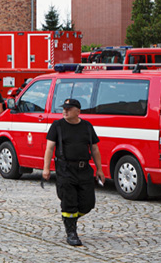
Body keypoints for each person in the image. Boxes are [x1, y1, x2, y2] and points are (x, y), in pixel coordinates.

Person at [43, 98, 104, 247]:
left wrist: (100, 169)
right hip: (65, 169)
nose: (65, 111)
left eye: (69, 109)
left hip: (84, 170)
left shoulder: (87, 126)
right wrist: (46, 168)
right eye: (64, 108)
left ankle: (70, 220)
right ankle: (71, 233)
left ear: (78, 111)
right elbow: (49, 148)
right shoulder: (57, 126)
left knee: (88, 203)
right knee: (69, 202)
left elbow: (94, 149)